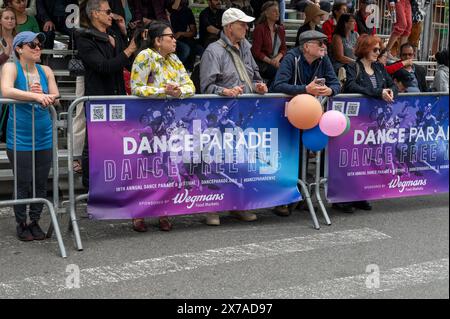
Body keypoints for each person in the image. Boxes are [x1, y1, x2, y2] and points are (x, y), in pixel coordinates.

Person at [200, 8, 267, 225]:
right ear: (229, 27)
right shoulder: (213, 51)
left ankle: (238, 205)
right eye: (242, 25)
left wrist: (259, 85)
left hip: (245, 113)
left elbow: (255, 74)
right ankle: (213, 208)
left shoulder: (246, 48)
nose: (246, 28)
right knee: (217, 161)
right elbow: (206, 87)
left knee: (241, 160)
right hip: (221, 115)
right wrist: (224, 92)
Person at [130, 22, 195, 232]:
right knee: (146, 168)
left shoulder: (174, 59)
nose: (175, 40)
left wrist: (178, 92)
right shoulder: (145, 56)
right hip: (148, 122)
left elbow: (190, 86)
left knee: (167, 166)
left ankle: (163, 212)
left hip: (172, 123)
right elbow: (136, 88)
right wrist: (163, 91)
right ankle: (138, 213)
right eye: (170, 37)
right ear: (158, 40)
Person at [271, 30, 339, 216]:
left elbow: (336, 83)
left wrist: (330, 90)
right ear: (306, 46)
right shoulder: (291, 58)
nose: (324, 46)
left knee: (305, 152)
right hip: (288, 112)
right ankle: (282, 200)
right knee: (288, 154)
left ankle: (301, 195)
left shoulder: (323, 59)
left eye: (324, 43)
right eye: (320, 43)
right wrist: (305, 89)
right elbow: (277, 85)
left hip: (311, 113)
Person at [0, 31, 59, 241]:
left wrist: (45, 95)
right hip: (20, 136)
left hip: (43, 134)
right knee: (23, 182)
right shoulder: (10, 67)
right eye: (32, 44)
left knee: (40, 183)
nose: (37, 47)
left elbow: (57, 98)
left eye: (39, 44)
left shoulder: (46, 69)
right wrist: (36, 95)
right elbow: (6, 90)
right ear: (18, 48)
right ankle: (21, 223)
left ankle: (35, 221)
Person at [77, 0, 138, 192]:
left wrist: (125, 35)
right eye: (108, 11)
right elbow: (103, 66)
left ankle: (113, 183)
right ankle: (90, 187)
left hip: (117, 95)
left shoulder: (112, 34)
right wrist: (128, 50)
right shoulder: (84, 37)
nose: (111, 15)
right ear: (95, 13)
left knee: (117, 142)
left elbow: (128, 63)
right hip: (98, 98)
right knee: (94, 143)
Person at [341, 34, 398, 213]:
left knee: (368, 159)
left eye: (379, 49)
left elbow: (393, 84)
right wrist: (377, 93)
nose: (378, 52)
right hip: (357, 121)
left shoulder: (380, 68)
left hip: (376, 121)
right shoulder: (352, 67)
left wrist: (390, 91)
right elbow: (351, 86)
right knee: (351, 159)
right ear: (364, 48)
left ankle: (361, 195)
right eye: (375, 49)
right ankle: (343, 198)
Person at [251, 1, 286, 84]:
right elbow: (256, 52)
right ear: (267, 13)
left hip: (276, 62)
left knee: (287, 71)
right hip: (263, 64)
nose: (278, 13)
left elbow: (284, 48)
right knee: (278, 73)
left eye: (278, 11)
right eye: (274, 11)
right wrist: (271, 62)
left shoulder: (280, 29)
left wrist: (277, 59)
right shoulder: (260, 29)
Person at [167, 0, 202, 70]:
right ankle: (174, 69)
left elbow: (193, 32)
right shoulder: (169, 11)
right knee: (185, 49)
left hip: (185, 39)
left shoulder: (187, 11)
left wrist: (181, 33)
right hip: (172, 39)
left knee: (202, 50)